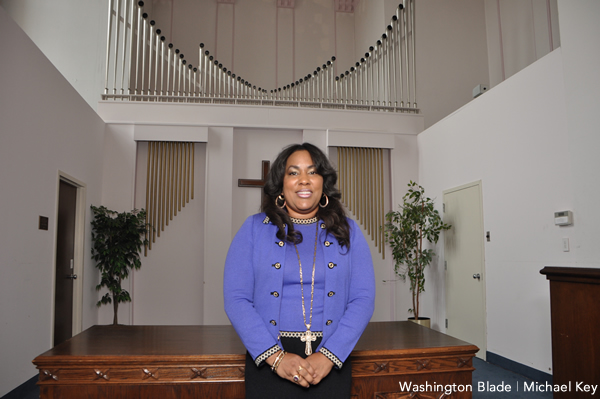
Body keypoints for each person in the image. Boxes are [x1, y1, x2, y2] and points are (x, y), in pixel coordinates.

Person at [224, 143, 375, 398]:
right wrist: (276, 357)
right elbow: (236, 299)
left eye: (313, 172)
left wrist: (328, 356)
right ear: (281, 185)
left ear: (323, 184)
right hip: (270, 361)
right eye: (293, 173)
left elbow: (363, 298)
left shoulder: (348, 231)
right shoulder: (253, 229)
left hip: (331, 360)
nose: (304, 180)